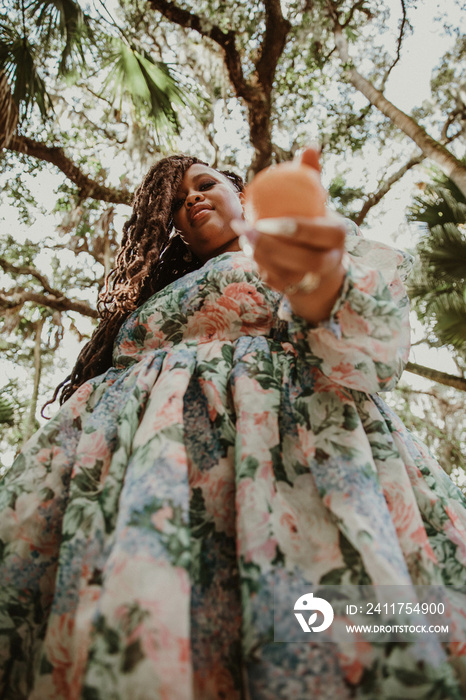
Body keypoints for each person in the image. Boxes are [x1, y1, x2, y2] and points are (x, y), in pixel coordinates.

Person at [1, 150, 466, 700]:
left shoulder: (280, 248)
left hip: (287, 452)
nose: (191, 199)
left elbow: (345, 327)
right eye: (176, 203)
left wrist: (309, 260)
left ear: (240, 192)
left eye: (203, 184)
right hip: (155, 478)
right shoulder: (155, 296)